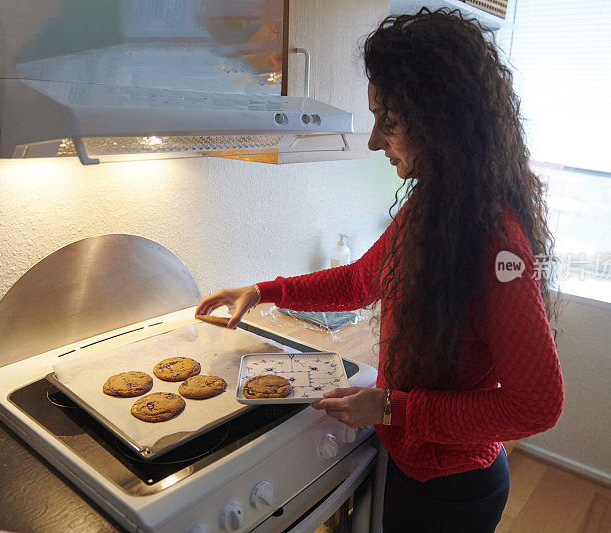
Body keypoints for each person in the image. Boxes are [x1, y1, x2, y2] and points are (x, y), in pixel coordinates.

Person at [196, 8, 564, 532]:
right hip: (415, 469)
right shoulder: (435, 206)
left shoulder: (500, 245)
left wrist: (393, 409)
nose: (372, 141)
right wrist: (263, 290)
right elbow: (359, 280)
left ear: (440, 120)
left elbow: (538, 406)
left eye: (388, 122)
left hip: (455, 491)